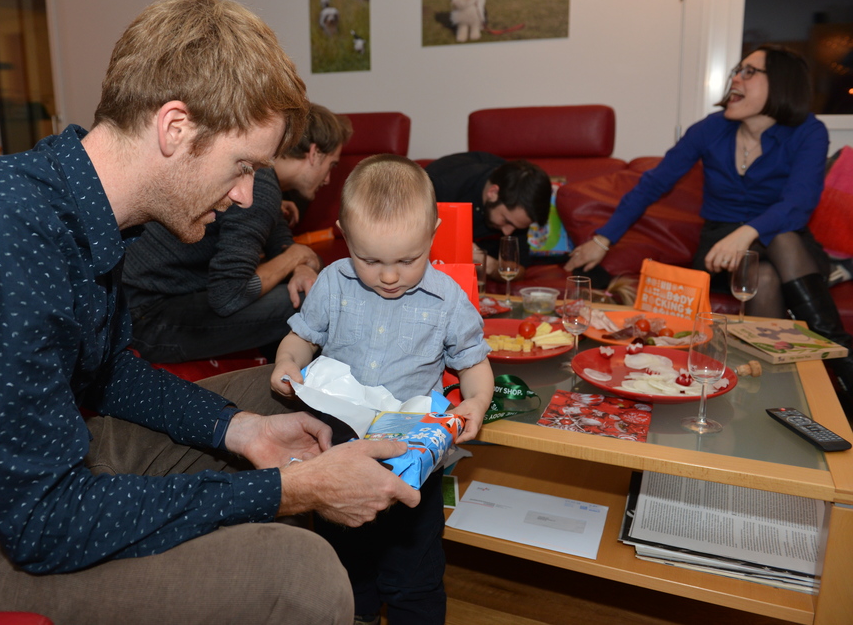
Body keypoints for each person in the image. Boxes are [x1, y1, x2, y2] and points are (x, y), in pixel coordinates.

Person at [0, 0, 422, 624]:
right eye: (242, 165)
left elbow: (107, 372)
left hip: (23, 476)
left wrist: (239, 430)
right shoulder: (0, 230)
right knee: (300, 576)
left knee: (289, 392)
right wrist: (282, 491)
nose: (248, 195)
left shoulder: (84, 208)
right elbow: (44, 523)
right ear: (175, 128)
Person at [563, 44, 853, 419]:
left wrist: (747, 232)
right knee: (761, 274)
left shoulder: (808, 132)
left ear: (782, 83)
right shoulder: (711, 129)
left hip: (786, 241)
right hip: (720, 248)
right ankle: (825, 370)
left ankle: (825, 365)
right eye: (736, 70)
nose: (736, 78)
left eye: (749, 72)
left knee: (776, 250)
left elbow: (798, 204)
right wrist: (603, 240)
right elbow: (654, 184)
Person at [271, 154, 495, 625]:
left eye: (407, 260)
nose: (389, 276)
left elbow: (474, 364)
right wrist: (288, 362)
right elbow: (300, 338)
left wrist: (476, 400)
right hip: (339, 454)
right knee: (345, 567)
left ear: (433, 233)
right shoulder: (333, 283)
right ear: (344, 235)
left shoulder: (447, 299)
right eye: (369, 260)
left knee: (414, 572)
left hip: (411, 462)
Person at [122, 103, 353, 364]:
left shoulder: (259, 175)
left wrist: (299, 265)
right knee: (309, 300)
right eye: (331, 165)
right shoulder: (260, 187)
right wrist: (294, 258)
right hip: (145, 319)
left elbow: (279, 241)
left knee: (299, 284)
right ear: (314, 153)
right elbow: (229, 296)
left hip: (133, 302)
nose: (328, 180)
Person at [424, 152, 552, 275]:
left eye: (516, 227)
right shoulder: (440, 186)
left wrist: (489, 264)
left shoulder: (519, 200)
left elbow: (519, 267)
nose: (507, 232)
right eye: (506, 221)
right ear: (493, 193)